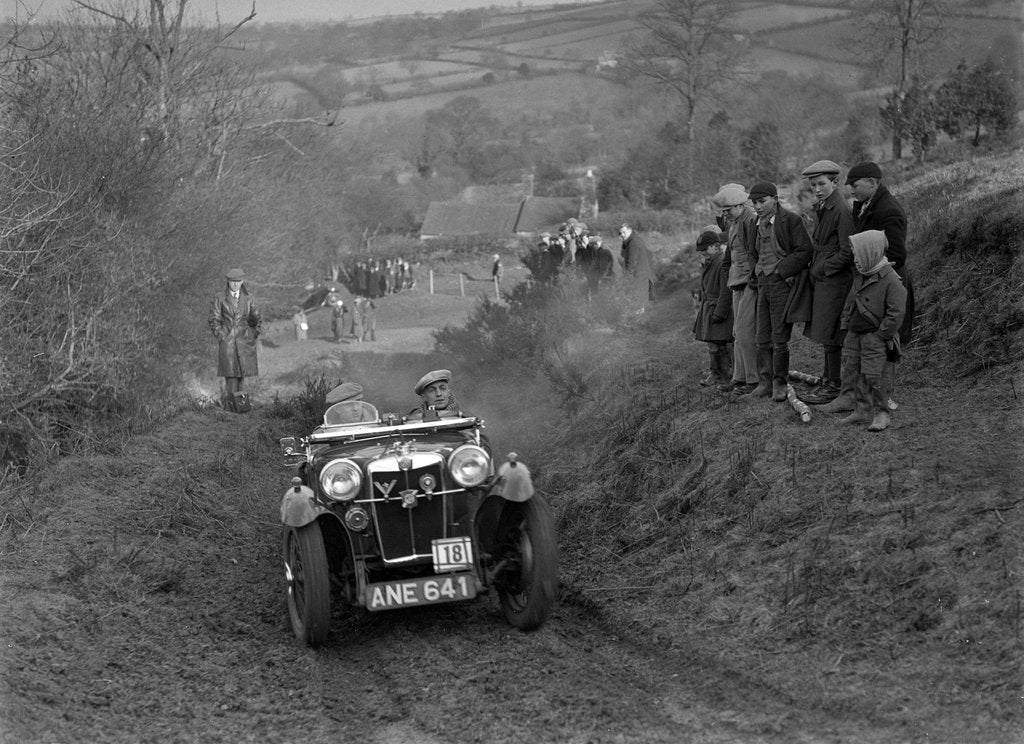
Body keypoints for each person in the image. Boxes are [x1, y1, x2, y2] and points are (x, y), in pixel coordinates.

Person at [820, 161, 913, 413]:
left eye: (855, 185)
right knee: (854, 343)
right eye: (849, 185)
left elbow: (896, 255)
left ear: (873, 183)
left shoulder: (889, 211)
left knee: (879, 346)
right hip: (864, 286)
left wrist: (866, 265)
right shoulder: (862, 206)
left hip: (881, 288)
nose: (851, 190)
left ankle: (878, 400)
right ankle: (851, 396)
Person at [742, 181, 814, 402]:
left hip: (781, 284)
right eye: (755, 203)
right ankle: (765, 382)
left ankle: (780, 383)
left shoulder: (791, 220)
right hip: (763, 284)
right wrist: (756, 272)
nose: (758, 206)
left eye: (762, 201)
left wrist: (781, 271)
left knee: (779, 336)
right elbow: (753, 251)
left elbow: (805, 251)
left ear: (774, 198)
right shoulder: (755, 223)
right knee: (761, 335)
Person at [837, 230, 907, 432]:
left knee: (875, 376)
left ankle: (881, 413)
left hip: (875, 338)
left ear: (871, 253)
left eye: (859, 256)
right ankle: (861, 410)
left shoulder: (892, 281)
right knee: (856, 372)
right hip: (856, 335)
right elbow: (850, 303)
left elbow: (896, 313)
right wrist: (845, 325)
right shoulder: (860, 276)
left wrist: (881, 335)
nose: (856, 261)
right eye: (855, 257)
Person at [798, 159, 855, 405]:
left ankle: (833, 385)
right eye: (813, 186)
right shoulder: (824, 206)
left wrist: (822, 269)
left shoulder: (841, 209)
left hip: (835, 281)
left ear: (835, 182)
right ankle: (828, 379)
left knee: (831, 335)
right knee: (826, 333)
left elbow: (847, 251)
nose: (817, 189)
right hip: (824, 279)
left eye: (822, 184)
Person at [713, 184, 759, 394]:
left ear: (740, 205)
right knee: (737, 332)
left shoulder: (750, 220)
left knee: (745, 331)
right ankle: (740, 378)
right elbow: (731, 255)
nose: (726, 215)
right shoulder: (735, 222)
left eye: (728, 210)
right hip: (736, 281)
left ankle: (754, 380)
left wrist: (752, 279)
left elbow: (755, 253)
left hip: (750, 282)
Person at [209, 268, 262, 412]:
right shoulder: (220, 298)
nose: (235, 285)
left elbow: (257, 319)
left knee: (241, 375)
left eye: (238, 282)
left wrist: (252, 334)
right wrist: (222, 336)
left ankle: (240, 408)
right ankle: (231, 409)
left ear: (242, 282)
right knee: (231, 375)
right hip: (228, 341)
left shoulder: (249, 298)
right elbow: (214, 320)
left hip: (245, 341)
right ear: (228, 282)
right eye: (233, 282)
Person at [692, 228, 734, 388]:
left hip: (718, 309)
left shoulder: (722, 262)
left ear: (715, 246)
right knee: (713, 344)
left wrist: (720, 312)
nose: (703, 253)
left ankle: (726, 376)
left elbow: (725, 290)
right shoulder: (711, 262)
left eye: (705, 249)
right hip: (709, 308)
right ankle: (717, 375)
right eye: (701, 250)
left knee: (723, 343)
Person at [618, 222, 654, 313]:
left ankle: (638, 324)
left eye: (623, 232)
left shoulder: (633, 243)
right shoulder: (632, 240)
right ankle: (638, 322)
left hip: (638, 276)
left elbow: (631, 263)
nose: (621, 235)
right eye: (620, 233)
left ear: (630, 231)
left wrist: (626, 278)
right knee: (639, 303)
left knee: (638, 304)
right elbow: (622, 255)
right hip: (640, 275)